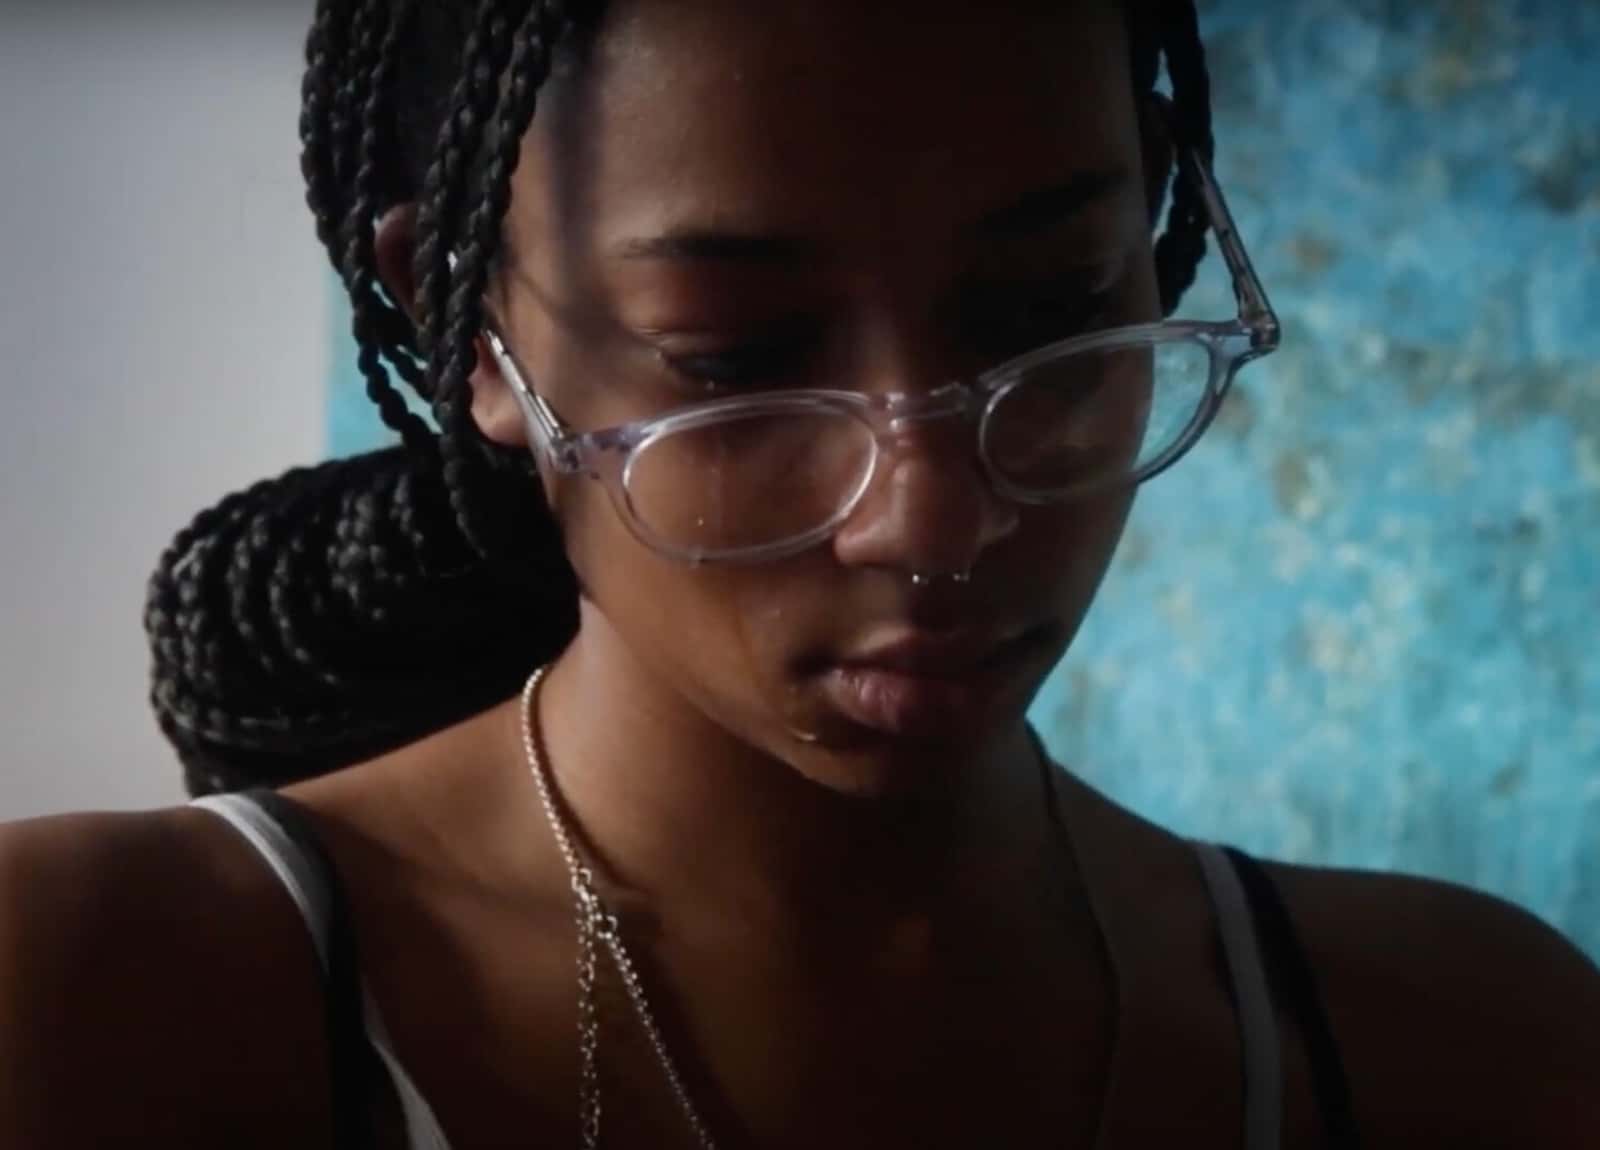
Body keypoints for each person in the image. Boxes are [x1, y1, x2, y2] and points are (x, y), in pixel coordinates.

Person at [2, 0, 1597, 1145]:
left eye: (1046, 306)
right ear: (469, 320)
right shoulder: (101, 1006)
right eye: (740, 353)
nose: (931, 519)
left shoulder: (1466, 1048)